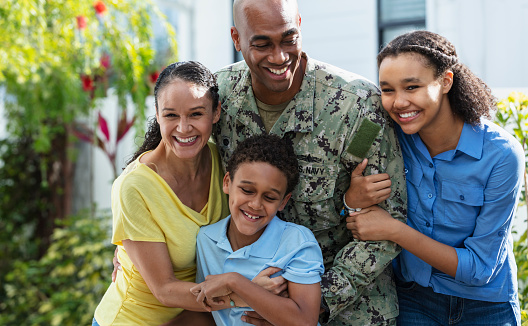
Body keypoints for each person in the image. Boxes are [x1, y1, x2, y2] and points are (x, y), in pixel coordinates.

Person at [212, 0, 407, 324]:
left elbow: (389, 223)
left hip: (348, 311)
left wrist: (308, 303)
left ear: (300, 24)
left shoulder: (355, 107)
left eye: (289, 39)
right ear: (236, 39)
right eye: (262, 44)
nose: (279, 57)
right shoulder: (219, 95)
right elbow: (171, 152)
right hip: (251, 304)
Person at [346, 30, 524, 325]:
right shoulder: (379, 131)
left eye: (412, 86)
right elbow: (342, 184)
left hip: (485, 307)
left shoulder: (503, 155)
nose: (398, 102)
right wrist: (350, 198)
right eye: (387, 90)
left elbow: (480, 268)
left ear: (446, 81)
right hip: (413, 298)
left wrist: (394, 230)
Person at [93, 61, 231, 326]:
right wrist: (250, 295)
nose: (183, 127)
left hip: (191, 318)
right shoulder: (134, 187)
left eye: (195, 114)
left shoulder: (221, 162)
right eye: (171, 115)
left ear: (215, 113)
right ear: (157, 115)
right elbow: (165, 289)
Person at [190, 134, 324, 326]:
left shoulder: (297, 242)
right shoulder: (206, 239)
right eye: (247, 190)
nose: (255, 204)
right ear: (227, 182)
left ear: (283, 202)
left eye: (269, 197)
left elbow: (304, 321)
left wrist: (234, 281)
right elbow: (205, 305)